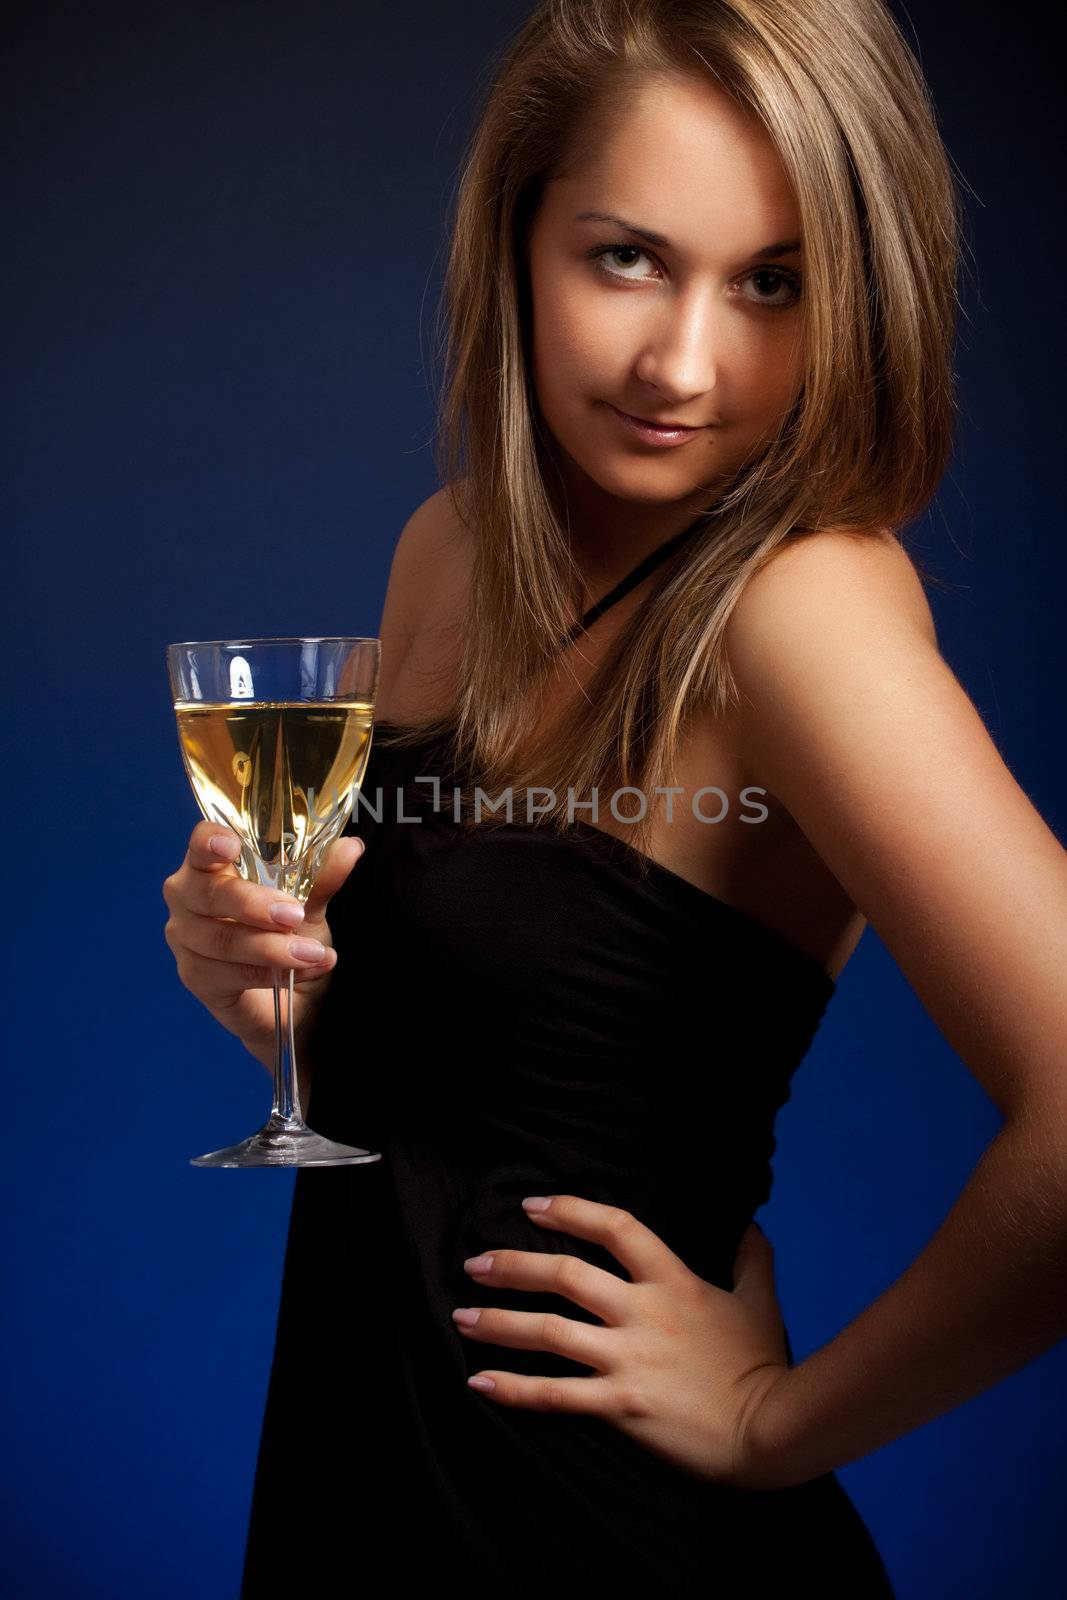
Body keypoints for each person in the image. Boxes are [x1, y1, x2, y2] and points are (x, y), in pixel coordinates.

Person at [162, 1, 1067, 1593]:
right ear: (515, 241)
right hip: (364, 1492)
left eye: (772, 281)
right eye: (628, 257)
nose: (684, 364)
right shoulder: (445, 550)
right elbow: (464, 1079)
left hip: (601, 1536)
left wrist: (778, 1423)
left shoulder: (799, 611)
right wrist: (262, 988)